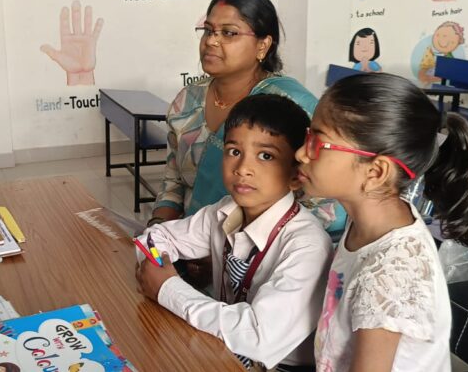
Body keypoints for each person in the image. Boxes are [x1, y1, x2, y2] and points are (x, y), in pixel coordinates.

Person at [300, 73, 468, 372]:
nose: (300, 153)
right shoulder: (372, 221)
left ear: (376, 172)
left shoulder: (389, 273)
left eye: (317, 143)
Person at [136, 94, 332, 371]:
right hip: (222, 346)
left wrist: (168, 288)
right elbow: (155, 239)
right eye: (234, 151)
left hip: (275, 365)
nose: (243, 169)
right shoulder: (224, 211)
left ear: (294, 175)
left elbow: (258, 337)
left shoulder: (308, 247)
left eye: (266, 156)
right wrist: (159, 264)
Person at [151, 0, 317, 226]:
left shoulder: (292, 106)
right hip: (188, 239)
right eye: (208, 30)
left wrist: (236, 247)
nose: (211, 41)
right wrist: (157, 229)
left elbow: (320, 201)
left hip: (262, 253)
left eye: (229, 33)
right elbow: (174, 180)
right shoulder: (188, 99)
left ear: (263, 45)